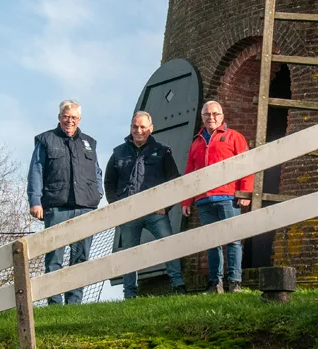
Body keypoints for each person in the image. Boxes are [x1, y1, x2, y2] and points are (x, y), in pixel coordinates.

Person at [104, 111, 187, 298]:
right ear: (130, 128)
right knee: (129, 254)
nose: (138, 130)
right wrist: (116, 206)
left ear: (151, 129)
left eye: (142, 127)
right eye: (135, 127)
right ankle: (130, 294)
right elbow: (109, 182)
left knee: (168, 244)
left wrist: (166, 207)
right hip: (129, 213)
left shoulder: (162, 151)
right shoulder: (118, 153)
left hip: (155, 212)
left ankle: (178, 284)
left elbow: (174, 180)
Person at [27, 100, 103, 305]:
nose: (70, 121)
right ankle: (55, 304)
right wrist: (35, 201)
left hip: (85, 206)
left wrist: (98, 194)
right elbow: (36, 171)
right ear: (59, 117)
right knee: (54, 258)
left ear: (79, 119)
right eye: (66, 116)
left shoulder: (89, 142)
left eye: (74, 117)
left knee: (80, 258)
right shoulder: (46, 140)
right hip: (56, 206)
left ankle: (74, 303)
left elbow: (97, 172)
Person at [181, 100, 253, 294]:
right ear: (202, 117)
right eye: (206, 114)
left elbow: (246, 165)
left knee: (233, 239)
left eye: (215, 114)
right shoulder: (197, 142)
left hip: (228, 196)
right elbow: (190, 172)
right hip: (204, 199)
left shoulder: (234, 137)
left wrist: (245, 192)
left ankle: (235, 282)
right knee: (211, 242)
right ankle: (215, 283)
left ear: (222, 116)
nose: (210, 117)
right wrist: (187, 200)